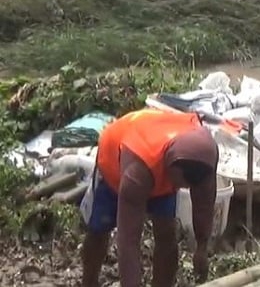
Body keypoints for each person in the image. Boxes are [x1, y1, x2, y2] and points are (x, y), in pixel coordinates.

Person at [80, 108, 219, 287]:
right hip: (114, 165)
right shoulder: (137, 175)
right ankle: (88, 282)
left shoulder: (204, 157)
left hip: (157, 153)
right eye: (181, 183)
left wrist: (202, 246)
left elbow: (204, 203)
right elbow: (128, 242)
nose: (182, 188)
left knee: (167, 234)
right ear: (171, 169)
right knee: (99, 231)